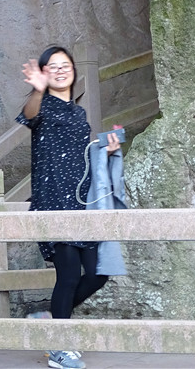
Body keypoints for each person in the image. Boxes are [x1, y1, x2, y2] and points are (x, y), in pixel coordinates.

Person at [17, 46, 123, 369]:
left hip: (81, 204)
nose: (61, 70)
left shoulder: (79, 114)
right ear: (44, 73)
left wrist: (105, 151)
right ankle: (59, 349)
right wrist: (37, 90)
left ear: (74, 71)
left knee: (98, 273)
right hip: (53, 203)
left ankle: (51, 320)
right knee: (68, 275)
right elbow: (29, 114)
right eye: (53, 66)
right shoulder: (42, 105)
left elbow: (83, 159)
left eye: (66, 65)